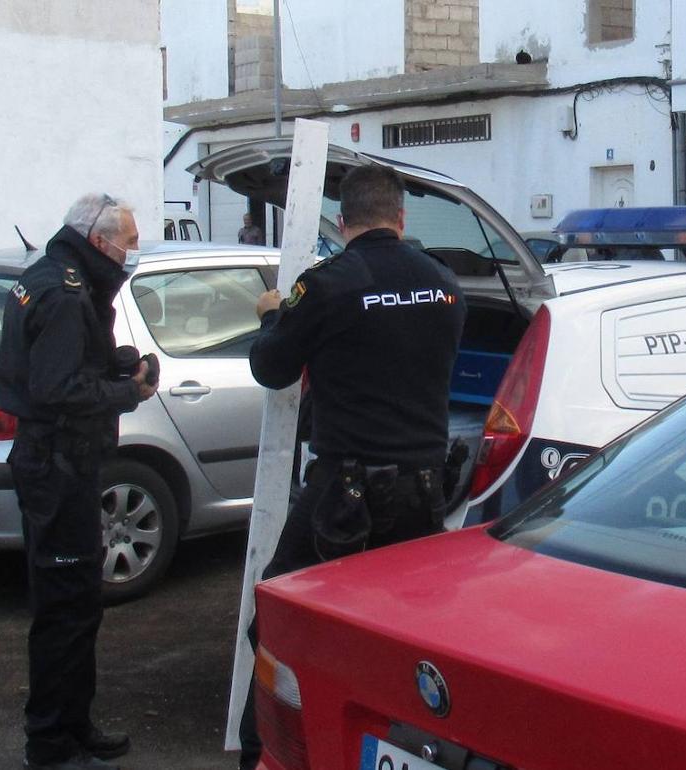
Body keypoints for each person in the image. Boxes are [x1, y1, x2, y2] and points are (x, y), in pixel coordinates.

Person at [237, 165, 467, 768]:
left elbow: (271, 367)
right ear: (401, 218)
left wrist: (272, 314)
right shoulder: (444, 282)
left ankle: (271, 755)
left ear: (342, 224)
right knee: (399, 638)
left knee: (278, 621)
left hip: (348, 492)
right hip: (422, 492)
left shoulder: (331, 284)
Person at [0, 193, 156, 770]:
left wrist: (115, 362)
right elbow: (56, 390)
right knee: (64, 608)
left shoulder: (61, 279)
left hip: (66, 462)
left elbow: (63, 364)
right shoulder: (64, 293)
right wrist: (128, 392)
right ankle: (50, 744)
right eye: (129, 242)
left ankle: (74, 723)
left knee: (82, 602)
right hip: (55, 463)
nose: (133, 252)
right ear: (98, 242)